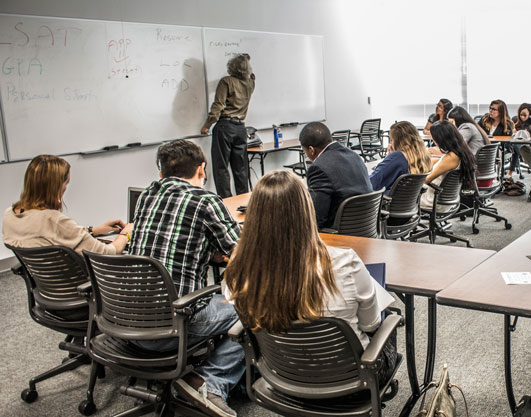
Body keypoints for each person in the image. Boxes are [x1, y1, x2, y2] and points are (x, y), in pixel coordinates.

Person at [223, 171, 397, 389]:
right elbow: (371, 325)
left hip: (282, 377)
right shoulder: (345, 263)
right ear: (306, 210)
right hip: (352, 383)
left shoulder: (238, 269)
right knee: (389, 317)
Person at [128, 140, 243, 417]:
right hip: (170, 326)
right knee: (255, 309)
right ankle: (209, 381)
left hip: (126, 320)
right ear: (202, 169)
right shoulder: (205, 200)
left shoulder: (147, 195)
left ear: (161, 172)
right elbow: (243, 252)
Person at [3, 155, 132, 257]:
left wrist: (95, 230)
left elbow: (57, 234)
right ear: (54, 187)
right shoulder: (52, 220)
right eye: (66, 183)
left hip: (44, 284)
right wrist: (125, 234)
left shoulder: (9, 215)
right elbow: (107, 253)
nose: (65, 188)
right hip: (78, 286)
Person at [200, 53, 255, 199]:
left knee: (221, 168)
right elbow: (252, 75)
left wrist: (207, 124)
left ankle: (226, 202)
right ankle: (244, 202)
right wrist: (245, 60)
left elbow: (218, 104)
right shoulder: (250, 83)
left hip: (225, 127)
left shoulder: (226, 82)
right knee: (241, 168)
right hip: (241, 129)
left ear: (231, 68)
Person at [302, 122, 373, 229]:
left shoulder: (318, 168)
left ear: (311, 150)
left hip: (340, 234)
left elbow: (316, 219)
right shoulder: (354, 156)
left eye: (305, 152)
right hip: (367, 228)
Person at [420, 121, 477, 212]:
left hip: (434, 202)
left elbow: (427, 180)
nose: (433, 141)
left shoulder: (450, 158)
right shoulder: (459, 153)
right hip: (446, 200)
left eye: (434, 139)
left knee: (400, 195)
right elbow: (439, 162)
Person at [369, 121, 432, 193]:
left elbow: (371, 183)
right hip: (408, 203)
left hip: (387, 202)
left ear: (399, 141)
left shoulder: (398, 156)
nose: (390, 143)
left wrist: (389, 158)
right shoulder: (423, 155)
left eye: (392, 140)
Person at [508, 103, 531, 179]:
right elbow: (509, 133)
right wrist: (513, 131)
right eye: (521, 114)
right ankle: (524, 158)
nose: (522, 117)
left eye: (525, 115)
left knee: (517, 148)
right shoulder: (515, 120)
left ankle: (510, 173)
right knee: (516, 145)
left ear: (530, 114)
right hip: (514, 144)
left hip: (527, 146)